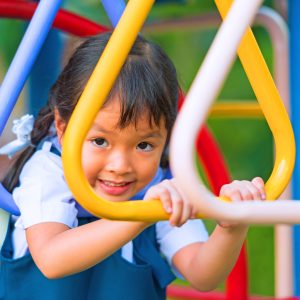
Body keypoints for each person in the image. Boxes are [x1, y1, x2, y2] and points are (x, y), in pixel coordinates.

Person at [0, 32, 266, 300]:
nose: (120, 165)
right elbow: (52, 259)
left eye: (144, 145)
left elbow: (202, 273)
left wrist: (231, 227)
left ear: (168, 136)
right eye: (100, 141)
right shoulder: (48, 171)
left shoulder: (159, 184)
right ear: (62, 128)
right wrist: (140, 215)